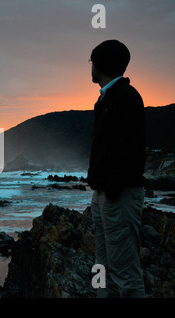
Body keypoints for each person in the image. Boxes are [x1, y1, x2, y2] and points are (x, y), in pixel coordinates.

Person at [86, 39, 146, 297]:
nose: (90, 67)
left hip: (118, 195)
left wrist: (111, 188)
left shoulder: (126, 97)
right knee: (103, 268)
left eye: (91, 62)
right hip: (104, 194)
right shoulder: (107, 98)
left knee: (125, 273)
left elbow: (130, 149)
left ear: (100, 65)